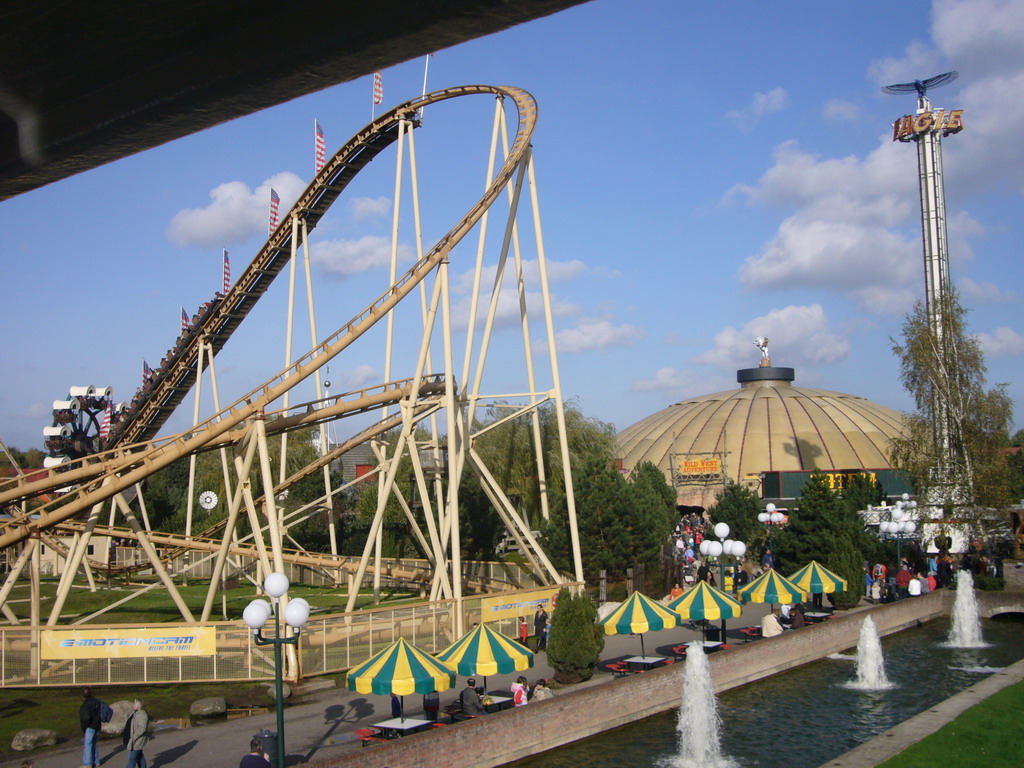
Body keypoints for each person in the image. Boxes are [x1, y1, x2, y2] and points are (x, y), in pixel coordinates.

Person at [80, 687, 102, 768]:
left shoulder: (86, 704)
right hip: (97, 725)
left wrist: (84, 727)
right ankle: (96, 762)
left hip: (90, 727)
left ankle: (88, 763)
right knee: (94, 744)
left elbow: (86, 718)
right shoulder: (96, 701)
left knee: (88, 744)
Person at [125, 698, 151, 768]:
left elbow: (142, 728)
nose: (133, 704)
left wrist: (134, 737)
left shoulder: (142, 715)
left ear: (138, 705)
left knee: (132, 758)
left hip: (137, 740)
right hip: (134, 740)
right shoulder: (135, 713)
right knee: (139, 756)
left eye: (134, 703)